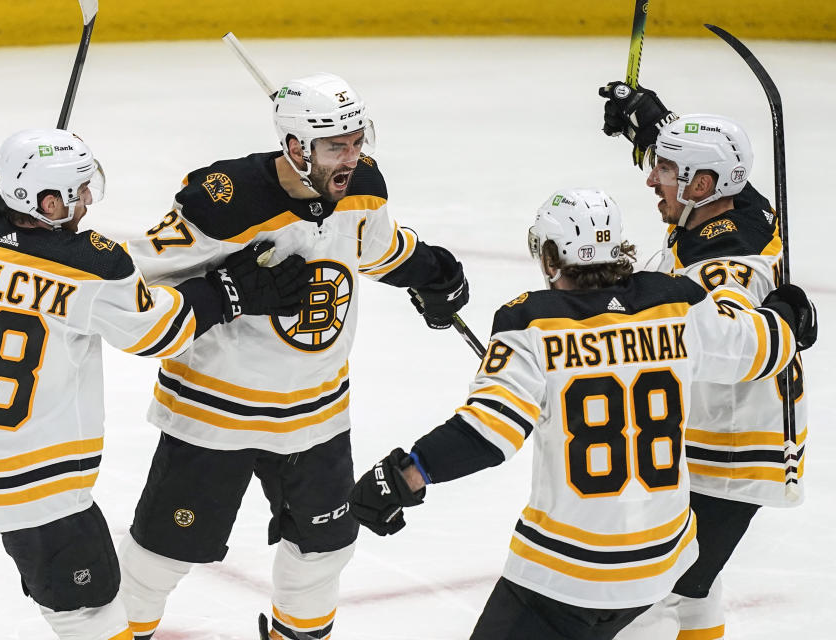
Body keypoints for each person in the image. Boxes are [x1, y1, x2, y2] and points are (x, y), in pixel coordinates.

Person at [0, 128, 310, 640]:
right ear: (44, 200)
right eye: (75, 191)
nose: (85, 200)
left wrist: (2, 208)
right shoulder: (91, 267)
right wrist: (227, 292)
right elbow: (158, 332)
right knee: (93, 622)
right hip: (34, 488)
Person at [349, 187, 817, 640]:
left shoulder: (529, 325)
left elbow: (485, 435)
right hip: (659, 569)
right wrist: (785, 313)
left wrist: (403, 475)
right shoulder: (678, 305)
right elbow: (757, 348)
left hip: (565, 576)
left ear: (551, 258)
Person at [115, 72, 470, 640]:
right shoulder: (225, 203)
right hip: (215, 414)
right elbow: (129, 292)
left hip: (316, 412)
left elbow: (374, 245)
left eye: (358, 140)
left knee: (323, 554)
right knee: (158, 560)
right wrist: (226, 293)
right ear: (296, 146)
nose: (352, 157)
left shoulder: (362, 186)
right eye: (337, 146)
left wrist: (429, 269)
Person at [598, 82, 813, 639]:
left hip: (732, 452)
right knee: (695, 594)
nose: (651, 178)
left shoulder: (723, 263)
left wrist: (782, 325)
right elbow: (719, 172)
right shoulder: (740, 208)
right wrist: (654, 124)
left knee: (648, 597)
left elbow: (727, 346)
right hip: (720, 437)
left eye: (665, 168)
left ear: (703, 184)